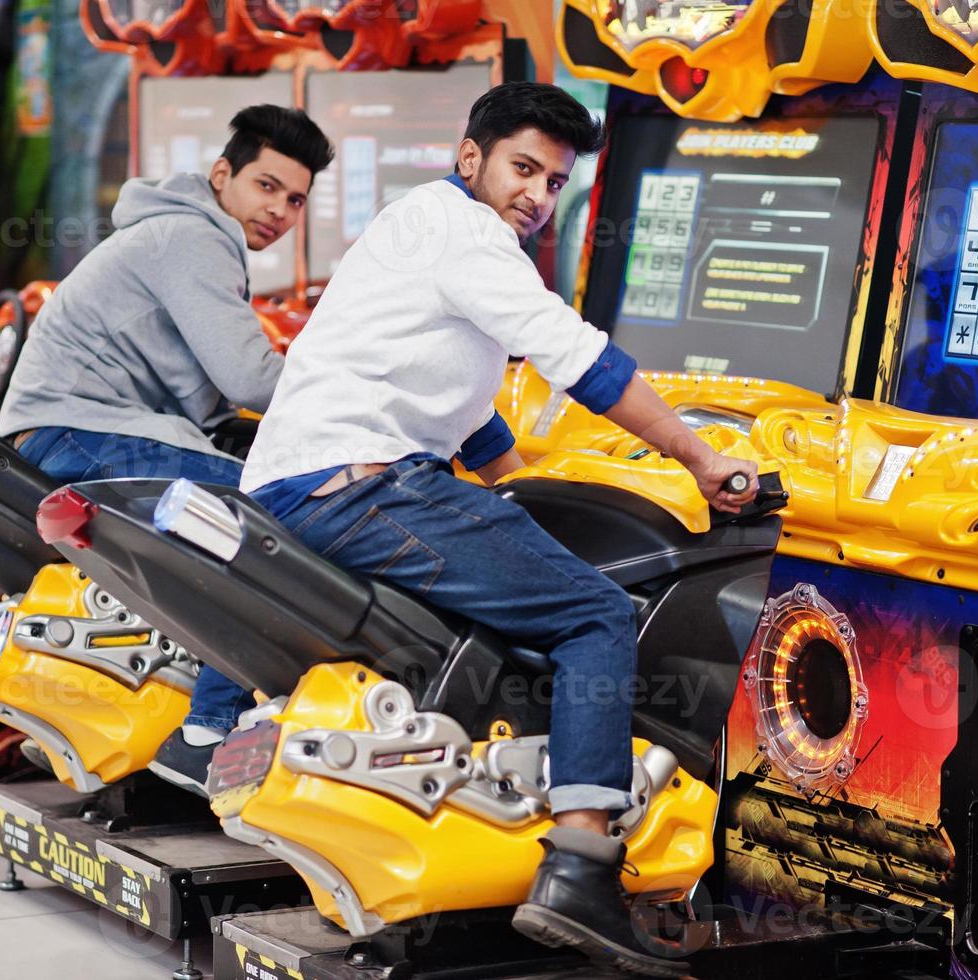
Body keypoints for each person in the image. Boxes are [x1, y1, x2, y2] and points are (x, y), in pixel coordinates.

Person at [237, 83, 757, 977]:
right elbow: (578, 357)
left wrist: (517, 480)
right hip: (360, 487)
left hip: (306, 481)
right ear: (471, 155)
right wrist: (698, 457)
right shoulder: (473, 237)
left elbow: (438, 381)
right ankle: (582, 869)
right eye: (524, 169)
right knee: (594, 616)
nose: (536, 196)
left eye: (555, 183)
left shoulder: (419, 220)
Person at [0, 104, 334, 795]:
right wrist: (353, 386)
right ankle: (209, 730)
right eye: (266, 186)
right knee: (272, 515)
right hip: (79, 430)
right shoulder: (193, 238)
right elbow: (249, 379)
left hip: (67, 428)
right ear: (222, 175)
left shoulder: (182, 235)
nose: (279, 209)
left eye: (295, 199)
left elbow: (212, 396)